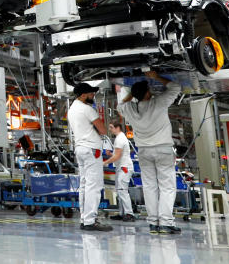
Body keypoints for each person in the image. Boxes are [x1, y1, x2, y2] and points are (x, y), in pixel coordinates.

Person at [117, 72, 181, 235]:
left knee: (150, 186)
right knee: (167, 187)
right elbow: (175, 87)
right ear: (147, 93)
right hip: (163, 150)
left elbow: (120, 105)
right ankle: (166, 222)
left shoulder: (130, 109)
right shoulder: (159, 103)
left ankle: (153, 223)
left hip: (144, 151)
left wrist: (133, 91)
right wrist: (156, 76)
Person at [67, 83, 112, 231]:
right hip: (92, 150)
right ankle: (90, 221)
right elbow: (103, 129)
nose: (93, 95)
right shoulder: (87, 109)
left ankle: (84, 218)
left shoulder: (72, 109)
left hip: (80, 149)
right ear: (83, 95)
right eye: (91, 93)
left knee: (84, 185)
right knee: (95, 185)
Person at [107, 121, 135, 222]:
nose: (110, 129)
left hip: (124, 167)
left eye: (111, 127)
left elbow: (117, 156)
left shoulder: (120, 139)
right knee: (119, 190)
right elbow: (118, 155)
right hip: (121, 167)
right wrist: (110, 154)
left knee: (123, 190)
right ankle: (122, 213)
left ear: (117, 127)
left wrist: (105, 162)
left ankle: (129, 214)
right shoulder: (119, 138)